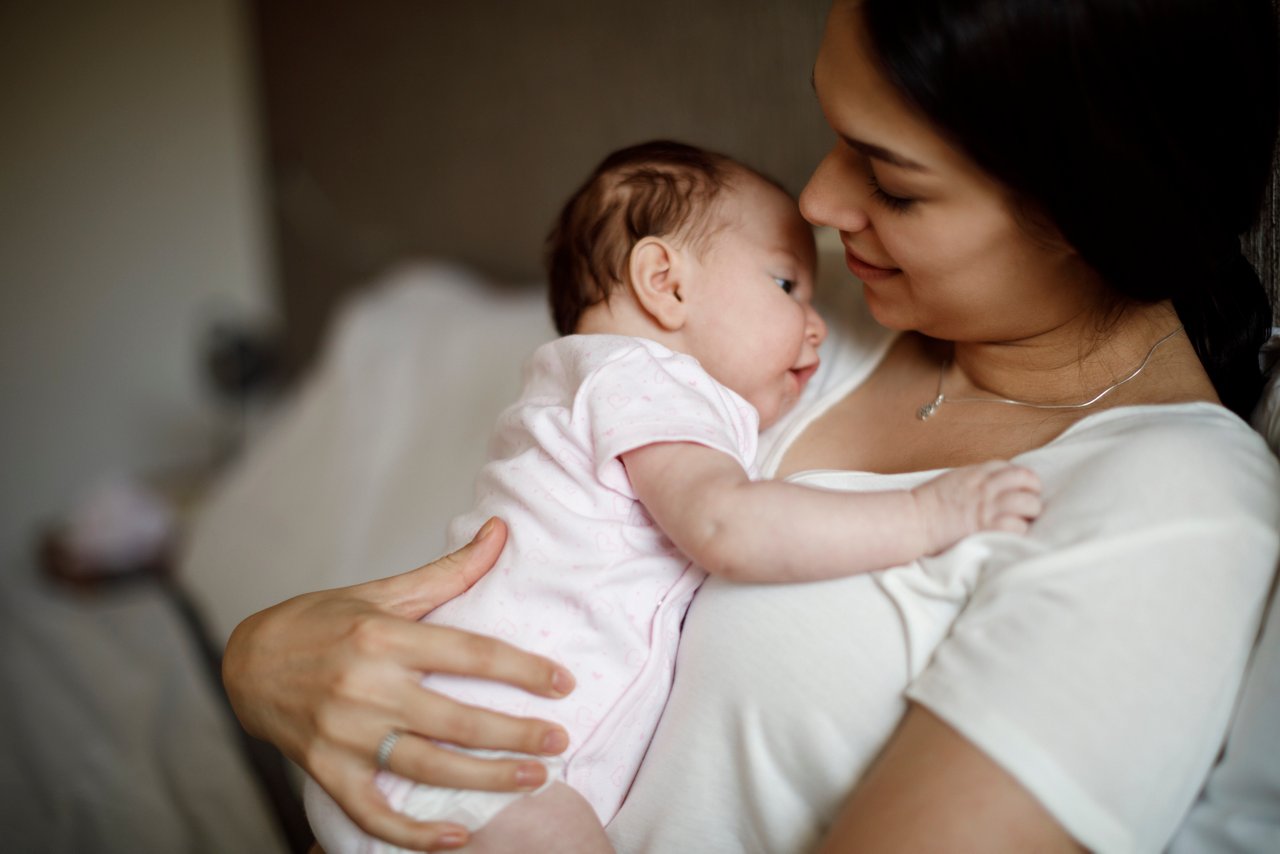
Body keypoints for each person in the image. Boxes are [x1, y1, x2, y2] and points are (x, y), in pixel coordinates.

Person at [221, 0, 1280, 851]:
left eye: (889, 181)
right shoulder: (780, 318)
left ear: (1083, 206)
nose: (817, 204)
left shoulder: (1168, 504)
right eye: (830, 133)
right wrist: (260, 659)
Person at [303, 140, 1042, 854]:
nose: (816, 325)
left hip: (438, 754)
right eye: (787, 284)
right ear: (666, 283)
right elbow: (725, 523)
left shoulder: (594, 387)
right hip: (468, 758)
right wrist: (933, 511)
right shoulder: (640, 379)